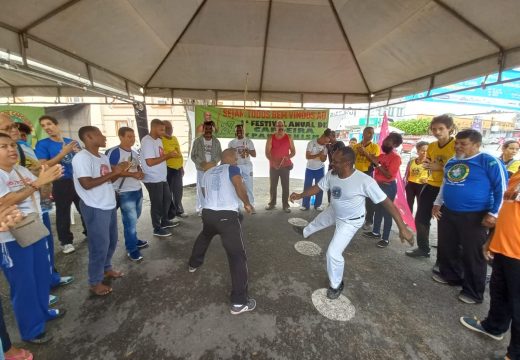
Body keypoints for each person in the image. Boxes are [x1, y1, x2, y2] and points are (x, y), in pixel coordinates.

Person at [290, 147, 413, 299]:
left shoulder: (364, 181)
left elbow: (388, 203)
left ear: (347, 163)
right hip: (335, 210)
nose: (331, 163)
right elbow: (318, 187)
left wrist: (402, 228)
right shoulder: (332, 174)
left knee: (333, 253)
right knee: (319, 221)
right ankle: (305, 232)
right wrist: (300, 195)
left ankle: (336, 285)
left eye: (335, 161)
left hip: (350, 221)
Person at [0, 133, 65, 344]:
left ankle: (43, 312)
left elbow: (43, 194)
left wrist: (48, 180)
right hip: (10, 238)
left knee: (40, 275)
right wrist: (38, 183)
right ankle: (31, 329)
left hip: (33, 227)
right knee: (24, 283)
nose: (11, 149)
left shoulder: (21, 170)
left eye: (11, 145)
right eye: (3, 146)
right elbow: (6, 200)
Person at [432, 129, 507, 304]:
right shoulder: (452, 161)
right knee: (448, 246)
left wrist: (494, 213)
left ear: (476, 144)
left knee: (473, 254)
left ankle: (473, 292)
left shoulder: (489, 161)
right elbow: (445, 184)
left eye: (463, 144)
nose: (457, 146)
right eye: (457, 143)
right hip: (449, 211)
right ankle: (451, 276)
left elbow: (501, 189)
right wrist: (437, 203)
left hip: (475, 215)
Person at [459, 169, 520, 359]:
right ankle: (494, 326)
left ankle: (515, 354)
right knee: (499, 291)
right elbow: (508, 210)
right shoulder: (517, 174)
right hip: (504, 248)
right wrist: (491, 241)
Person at [187, 149, 256, 315]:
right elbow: (239, 185)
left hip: (208, 213)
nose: (237, 160)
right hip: (226, 217)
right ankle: (239, 302)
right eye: (236, 157)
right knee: (237, 256)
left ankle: (193, 264)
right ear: (230, 158)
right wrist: (246, 203)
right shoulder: (232, 169)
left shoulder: (208, 172)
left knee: (205, 235)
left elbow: (204, 192)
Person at [72, 126, 128, 296]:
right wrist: (114, 172)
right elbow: (86, 184)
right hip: (94, 206)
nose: (104, 137)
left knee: (111, 241)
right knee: (98, 246)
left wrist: (119, 170)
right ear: (88, 137)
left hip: (108, 204)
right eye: (99, 134)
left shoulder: (102, 157)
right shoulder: (82, 158)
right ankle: (95, 282)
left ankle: (106, 268)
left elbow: (109, 181)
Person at [35, 115, 86, 254]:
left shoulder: (72, 142)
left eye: (49, 124)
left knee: (84, 208)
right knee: (63, 212)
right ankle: (66, 241)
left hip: (77, 180)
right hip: (60, 181)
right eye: (43, 126)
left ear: (57, 125)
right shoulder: (43, 144)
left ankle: (89, 232)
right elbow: (43, 165)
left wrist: (80, 153)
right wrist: (62, 153)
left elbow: (83, 161)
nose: (47, 128)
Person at [406, 115, 456, 259]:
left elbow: (460, 168)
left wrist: (439, 167)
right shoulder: (433, 146)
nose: (437, 132)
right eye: (434, 129)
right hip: (431, 185)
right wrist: (428, 165)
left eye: (441, 129)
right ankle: (423, 249)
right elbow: (429, 162)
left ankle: (444, 258)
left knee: (445, 224)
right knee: (421, 218)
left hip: (448, 188)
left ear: (450, 128)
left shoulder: (456, 145)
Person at [106, 127, 148, 262]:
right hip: (124, 192)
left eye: (133, 136)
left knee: (135, 219)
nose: (132, 138)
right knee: (129, 222)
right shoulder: (113, 152)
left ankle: (134, 240)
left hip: (137, 189)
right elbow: (110, 170)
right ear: (121, 137)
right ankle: (131, 249)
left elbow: (137, 166)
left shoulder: (135, 152)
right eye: (129, 136)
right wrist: (132, 174)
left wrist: (140, 172)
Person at [0, 204, 33, 360]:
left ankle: (5, 347)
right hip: (6, 237)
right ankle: (6, 348)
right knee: (22, 284)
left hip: (15, 229)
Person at [362, 133, 403, 248]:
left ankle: (385, 239)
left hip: (388, 186)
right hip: (378, 186)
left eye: (388, 142)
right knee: (378, 210)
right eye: (385, 141)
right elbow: (373, 159)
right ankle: (375, 232)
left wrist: (377, 164)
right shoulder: (382, 155)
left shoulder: (396, 158)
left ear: (394, 144)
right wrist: (365, 153)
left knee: (387, 212)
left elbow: (389, 175)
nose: (385, 143)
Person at [141, 119, 179, 237]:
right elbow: (150, 162)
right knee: (157, 203)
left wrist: (168, 154)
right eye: (161, 129)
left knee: (167, 200)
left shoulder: (158, 139)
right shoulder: (147, 141)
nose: (164, 131)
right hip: (153, 178)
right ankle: (157, 228)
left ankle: (165, 221)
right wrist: (168, 155)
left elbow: (160, 156)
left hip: (161, 177)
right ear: (153, 128)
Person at [191, 120, 222, 215]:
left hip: (212, 169)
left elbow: (220, 154)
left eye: (210, 129)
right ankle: (202, 208)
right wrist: (202, 164)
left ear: (212, 130)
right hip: (201, 169)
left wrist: (213, 163)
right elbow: (193, 155)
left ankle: (211, 206)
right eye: (206, 129)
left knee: (212, 188)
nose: (208, 130)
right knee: (201, 188)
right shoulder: (197, 141)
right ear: (203, 129)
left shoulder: (216, 141)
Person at [352, 127, 380, 230]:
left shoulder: (375, 147)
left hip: (368, 174)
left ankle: (369, 221)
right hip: (356, 173)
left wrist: (365, 153)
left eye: (372, 133)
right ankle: (355, 217)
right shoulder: (356, 146)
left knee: (369, 198)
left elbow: (376, 162)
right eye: (368, 132)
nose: (371, 135)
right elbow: (351, 159)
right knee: (355, 196)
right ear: (363, 133)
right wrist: (355, 153)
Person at [265, 120, 296, 213]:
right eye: (278, 126)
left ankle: (285, 205)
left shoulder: (289, 137)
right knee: (273, 186)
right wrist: (273, 162)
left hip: (285, 166)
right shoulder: (271, 137)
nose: (280, 127)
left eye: (282, 125)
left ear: (284, 126)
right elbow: (267, 153)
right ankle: (272, 203)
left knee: (285, 186)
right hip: (273, 166)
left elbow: (293, 151)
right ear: (276, 127)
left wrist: (288, 157)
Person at [300, 129, 331, 211]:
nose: (326, 143)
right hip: (310, 168)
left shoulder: (325, 147)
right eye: (325, 141)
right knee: (307, 186)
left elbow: (324, 160)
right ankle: (305, 205)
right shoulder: (311, 143)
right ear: (323, 137)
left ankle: (318, 205)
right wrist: (318, 154)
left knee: (320, 186)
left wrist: (321, 156)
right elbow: (307, 156)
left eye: (327, 142)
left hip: (320, 169)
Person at [162, 120, 187, 219]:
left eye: (170, 128)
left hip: (178, 168)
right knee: (168, 193)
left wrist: (181, 167)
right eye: (166, 128)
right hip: (168, 169)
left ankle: (179, 210)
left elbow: (179, 152)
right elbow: (165, 154)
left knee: (178, 191)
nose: (169, 130)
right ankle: (170, 213)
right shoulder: (161, 140)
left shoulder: (175, 138)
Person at [228, 124, 256, 210]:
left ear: (243, 131)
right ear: (235, 132)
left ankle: (251, 204)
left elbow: (254, 154)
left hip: (247, 166)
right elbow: (229, 156)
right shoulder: (231, 143)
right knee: (237, 186)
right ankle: (238, 206)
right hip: (236, 166)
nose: (239, 132)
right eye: (237, 130)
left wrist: (248, 151)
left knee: (249, 186)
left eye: (241, 130)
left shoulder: (249, 141)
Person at [404, 141, 429, 213]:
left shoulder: (430, 163)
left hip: (422, 186)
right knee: (409, 204)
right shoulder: (411, 161)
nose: (425, 153)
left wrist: (427, 180)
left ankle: (418, 223)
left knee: (421, 205)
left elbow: (434, 177)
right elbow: (407, 174)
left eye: (427, 151)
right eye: (423, 151)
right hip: (410, 185)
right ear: (418, 151)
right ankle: (409, 221)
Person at [326, 131, 345, 203]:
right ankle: (330, 203)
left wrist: (329, 148)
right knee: (329, 186)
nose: (328, 139)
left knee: (338, 186)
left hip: (339, 169)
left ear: (334, 136)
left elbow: (341, 156)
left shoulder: (340, 144)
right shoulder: (328, 145)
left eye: (329, 137)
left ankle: (338, 203)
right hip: (331, 168)